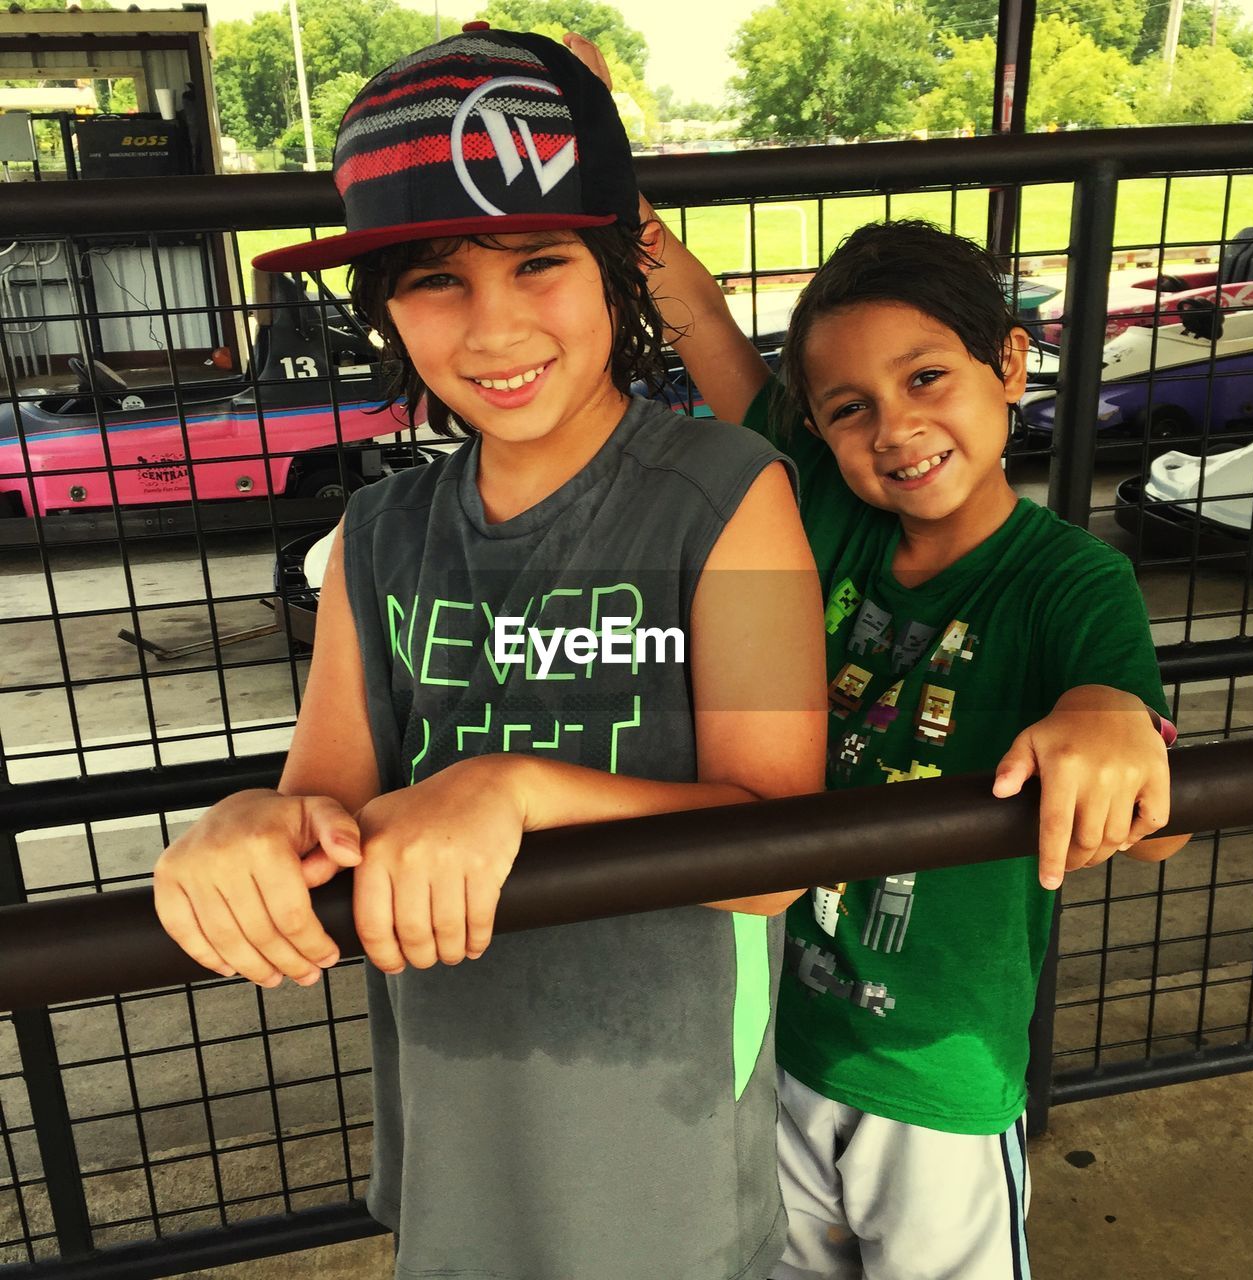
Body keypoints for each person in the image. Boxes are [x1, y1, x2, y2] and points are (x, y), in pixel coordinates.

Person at [152, 26, 830, 1280]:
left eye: (536, 261)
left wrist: (514, 788)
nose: (493, 325)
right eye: (433, 279)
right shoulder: (379, 530)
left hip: (664, 1123)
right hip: (453, 1102)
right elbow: (324, 798)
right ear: (383, 308)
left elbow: (775, 855)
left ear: (619, 261)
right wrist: (245, 823)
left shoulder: (728, 491)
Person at [557, 47, 1187, 1269]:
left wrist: (1110, 726)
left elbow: (1135, 767)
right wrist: (607, 169)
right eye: (846, 407)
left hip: (936, 1072)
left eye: (926, 379)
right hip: (782, 1036)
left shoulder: (1067, 576)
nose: (893, 427)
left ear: (1008, 364)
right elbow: (705, 333)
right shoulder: (826, 520)